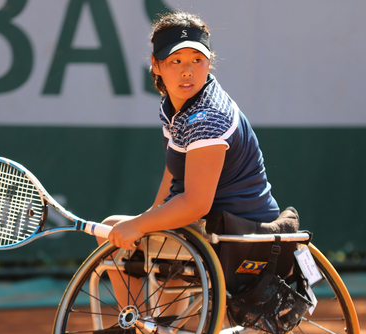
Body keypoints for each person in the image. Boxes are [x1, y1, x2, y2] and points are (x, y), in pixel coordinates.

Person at [105, 11, 280, 252]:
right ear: (156, 65)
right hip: (212, 227)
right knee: (118, 230)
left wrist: (140, 224)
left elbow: (196, 204)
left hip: (238, 234)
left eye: (197, 60)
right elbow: (176, 166)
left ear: (209, 61)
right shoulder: (176, 105)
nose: (187, 71)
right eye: (176, 61)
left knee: (111, 230)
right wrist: (151, 214)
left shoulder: (208, 117)